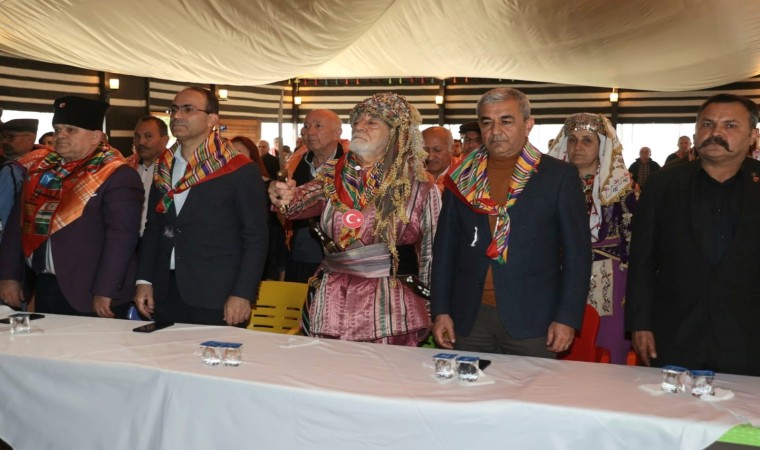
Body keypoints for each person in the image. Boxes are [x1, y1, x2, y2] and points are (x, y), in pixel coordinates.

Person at [269, 92, 440, 345]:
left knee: (384, 368)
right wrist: (282, 195)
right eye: (357, 121)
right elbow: (296, 205)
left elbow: (432, 253)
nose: (360, 126)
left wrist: (435, 308)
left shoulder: (419, 185)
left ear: (397, 132)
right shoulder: (333, 175)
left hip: (390, 305)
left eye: (372, 122)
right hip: (333, 299)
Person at [431, 87, 591, 358]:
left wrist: (566, 318)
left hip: (534, 320)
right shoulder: (462, 177)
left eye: (506, 121)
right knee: (466, 386)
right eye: (487, 122)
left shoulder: (558, 176)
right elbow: (444, 250)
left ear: (528, 125)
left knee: (531, 387)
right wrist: (441, 310)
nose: (495, 131)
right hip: (469, 318)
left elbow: (578, 254)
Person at [626, 93, 760, 376]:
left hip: (749, 337)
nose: (716, 133)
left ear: (752, 136)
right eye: (707, 124)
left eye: (730, 125)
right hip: (674, 333)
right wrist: (640, 323)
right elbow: (642, 260)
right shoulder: (663, 184)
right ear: (696, 132)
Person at [134, 87, 268, 326]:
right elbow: (154, 227)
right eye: (174, 109)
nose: (177, 116)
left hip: (217, 293)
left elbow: (255, 236)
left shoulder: (238, 168)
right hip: (166, 290)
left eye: (188, 109)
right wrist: (144, 280)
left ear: (212, 119)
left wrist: (243, 293)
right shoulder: (163, 166)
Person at [0, 96, 143, 317]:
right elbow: (16, 224)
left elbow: (121, 237)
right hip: (45, 284)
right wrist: (9, 276)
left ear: (95, 136)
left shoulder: (116, 174)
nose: (60, 135)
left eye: (71, 130)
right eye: (57, 129)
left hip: (91, 292)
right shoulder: (41, 171)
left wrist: (105, 290)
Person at [548, 113, 636, 364]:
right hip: (558, 275)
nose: (578, 146)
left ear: (602, 146)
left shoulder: (620, 190)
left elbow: (632, 244)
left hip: (608, 278)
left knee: (605, 347)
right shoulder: (547, 187)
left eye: (587, 140)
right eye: (572, 140)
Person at [284, 109, 345, 283]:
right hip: (299, 253)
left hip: (339, 257)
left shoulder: (351, 165)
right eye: (306, 126)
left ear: (337, 133)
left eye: (318, 126)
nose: (310, 131)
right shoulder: (295, 162)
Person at [231, 134, 288, 281]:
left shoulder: (270, 187)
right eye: (229, 152)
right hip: (231, 253)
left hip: (265, 253)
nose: (232, 157)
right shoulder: (223, 187)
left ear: (252, 156)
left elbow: (277, 230)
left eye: (238, 152)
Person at [126, 116, 170, 235]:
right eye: (137, 136)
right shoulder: (125, 167)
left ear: (164, 140)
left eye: (148, 136)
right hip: (129, 238)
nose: (141, 142)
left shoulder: (172, 169)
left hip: (160, 238)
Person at [422, 126, 453, 192]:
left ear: (451, 150)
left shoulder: (462, 177)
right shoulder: (411, 177)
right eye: (425, 150)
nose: (430, 157)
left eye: (437, 150)